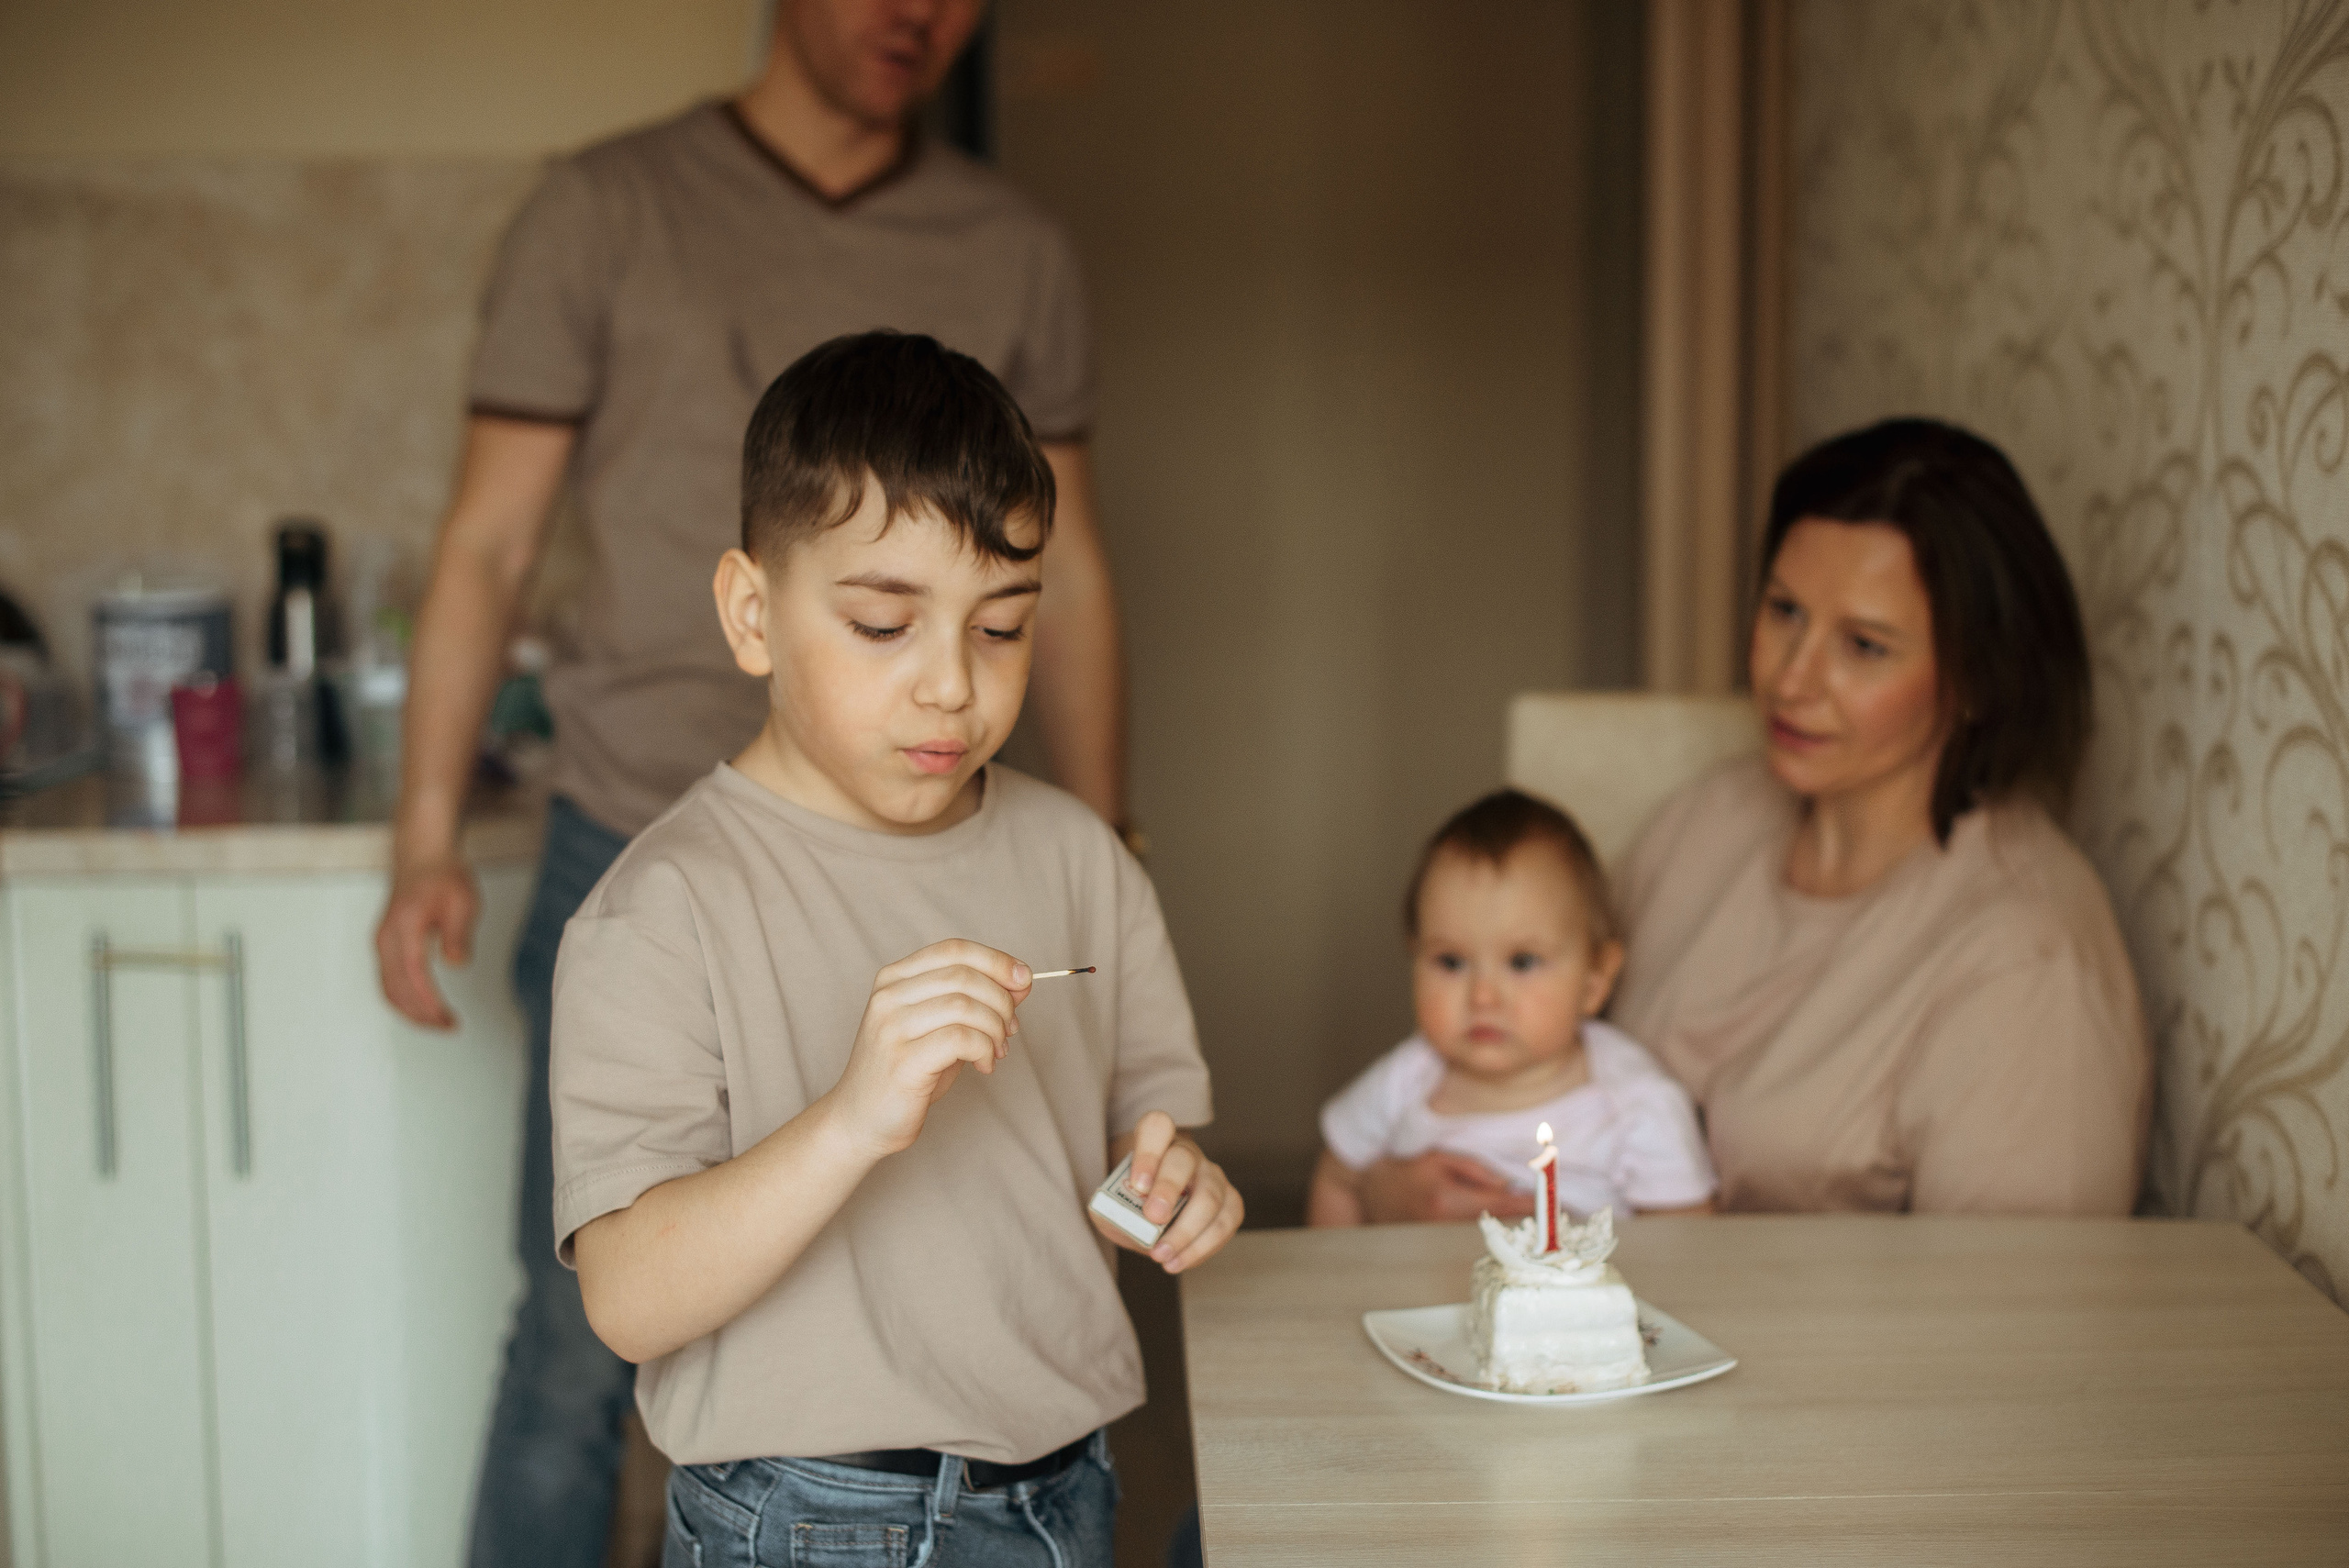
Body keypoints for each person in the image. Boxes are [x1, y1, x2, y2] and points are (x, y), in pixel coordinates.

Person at [371, 5, 1129, 1561]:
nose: (916, 13)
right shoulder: (607, 207)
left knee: (893, 1299)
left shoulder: (1015, 247)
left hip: (922, 860)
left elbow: (1074, 574)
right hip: (629, 829)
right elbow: (489, 542)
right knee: (580, 1349)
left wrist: (1108, 837)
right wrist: (424, 835)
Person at [555, 331, 1241, 1563]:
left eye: (1001, 627)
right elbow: (627, 1298)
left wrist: (1172, 1183)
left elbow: (1135, 1144)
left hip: (1064, 1490)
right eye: (884, 624)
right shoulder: (661, 908)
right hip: (804, 1515)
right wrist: (851, 1119)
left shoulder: (1080, 857)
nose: (951, 687)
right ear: (752, 614)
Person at [1609, 417, 2152, 1214]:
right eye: (1784, 611)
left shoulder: (2028, 964)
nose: (1792, 680)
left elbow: (2014, 1291)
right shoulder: (1711, 815)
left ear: (1977, 679)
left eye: (1863, 646)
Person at [1308, 789, 1716, 1226]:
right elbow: (1336, 1181)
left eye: (1522, 962)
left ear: (1594, 980)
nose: (1483, 997)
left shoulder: (1637, 1105)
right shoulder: (1404, 1079)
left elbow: (1684, 1241)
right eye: (1451, 962)